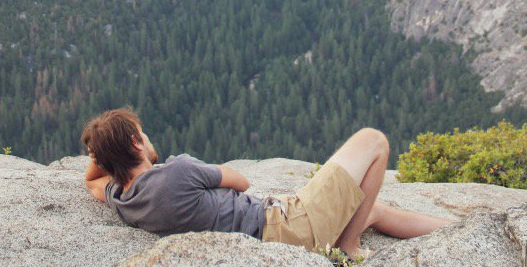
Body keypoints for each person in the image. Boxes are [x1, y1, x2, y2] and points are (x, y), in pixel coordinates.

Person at [81, 108, 453, 258]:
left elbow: (92, 181)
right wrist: (197, 168)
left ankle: (461, 230)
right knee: (374, 141)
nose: (148, 139)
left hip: (276, 225)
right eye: (142, 135)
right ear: (135, 144)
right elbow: (240, 181)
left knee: (372, 209)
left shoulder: (122, 198)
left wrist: (104, 154)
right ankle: (347, 248)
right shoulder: (178, 171)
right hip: (287, 225)